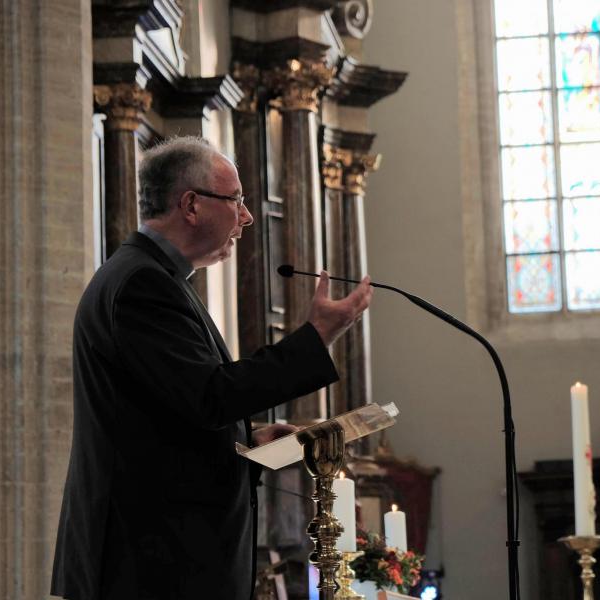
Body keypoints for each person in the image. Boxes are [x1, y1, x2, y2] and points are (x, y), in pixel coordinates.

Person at [50, 136, 372, 600]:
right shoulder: (143, 284)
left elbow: (175, 408)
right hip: (151, 563)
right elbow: (210, 397)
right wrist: (316, 336)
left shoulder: (153, 278)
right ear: (191, 205)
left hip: (158, 555)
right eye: (237, 200)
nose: (246, 216)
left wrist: (247, 439)